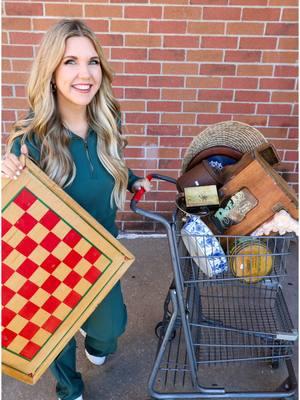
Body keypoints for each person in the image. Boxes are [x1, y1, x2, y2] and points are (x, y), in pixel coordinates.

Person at [2, 19, 151, 400]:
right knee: (56, 335)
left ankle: (95, 338)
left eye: (92, 61)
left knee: (111, 328)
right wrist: (6, 175)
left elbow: (109, 164)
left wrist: (132, 179)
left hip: (103, 254)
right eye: (70, 62)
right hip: (51, 262)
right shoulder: (29, 139)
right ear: (51, 72)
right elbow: (12, 210)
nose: (85, 74)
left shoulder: (109, 121)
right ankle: (69, 388)